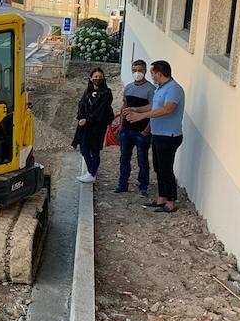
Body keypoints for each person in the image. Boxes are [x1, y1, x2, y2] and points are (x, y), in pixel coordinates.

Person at [125, 60, 185, 213]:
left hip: (169, 136)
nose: (151, 76)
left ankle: (171, 203)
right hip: (158, 134)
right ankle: (162, 198)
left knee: (166, 169)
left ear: (159, 73)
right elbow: (153, 106)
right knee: (159, 168)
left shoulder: (174, 89)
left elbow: (167, 109)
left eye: (152, 73)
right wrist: (135, 109)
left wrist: (142, 116)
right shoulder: (161, 88)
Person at [115, 59, 155, 196]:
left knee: (142, 160)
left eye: (140, 70)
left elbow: (153, 108)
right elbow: (124, 106)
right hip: (126, 129)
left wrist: (146, 130)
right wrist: (120, 125)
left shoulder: (151, 89)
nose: (137, 73)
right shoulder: (129, 87)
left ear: (145, 71)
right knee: (124, 157)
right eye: (134, 70)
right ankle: (122, 184)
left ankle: (143, 186)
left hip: (142, 130)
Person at [72, 67, 114, 183]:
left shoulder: (107, 92)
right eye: (95, 77)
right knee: (84, 148)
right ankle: (91, 171)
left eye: (100, 77)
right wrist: (81, 117)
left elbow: (101, 109)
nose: (98, 79)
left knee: (95, 150)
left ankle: (92, 173)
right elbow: (81, 104)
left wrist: (88, 120)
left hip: (98, 126)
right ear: (90, 79)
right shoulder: (88, 91)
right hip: (85, 126)